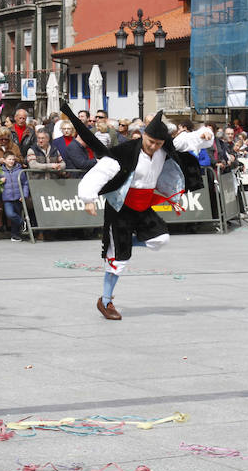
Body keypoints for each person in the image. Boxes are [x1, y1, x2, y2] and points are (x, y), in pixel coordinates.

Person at [70, 107, 212, 319]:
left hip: (144, 206)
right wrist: (88, 198)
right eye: (151, 141)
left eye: (158, 143)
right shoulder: (126, 152)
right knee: (118, 260)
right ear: (144, 134)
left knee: (161, 239)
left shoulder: (164, 149)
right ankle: (106, 301)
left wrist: (204, 133)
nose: (154, 146)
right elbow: (101, 171)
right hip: (121, 207)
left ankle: (125, 241)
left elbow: (186, 141)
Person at [0, 151, 30, 241]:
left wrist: (24, 195)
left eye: (13, 159)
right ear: (4, 160)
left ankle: (15, 235)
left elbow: (25, 183)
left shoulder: (20, 170)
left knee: (16, 214)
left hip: (18, 196)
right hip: (7, 197)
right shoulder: (0, 171)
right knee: (10, 214)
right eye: (9, 159)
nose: (11, 161)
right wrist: (0, 181)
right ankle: (23, 223)